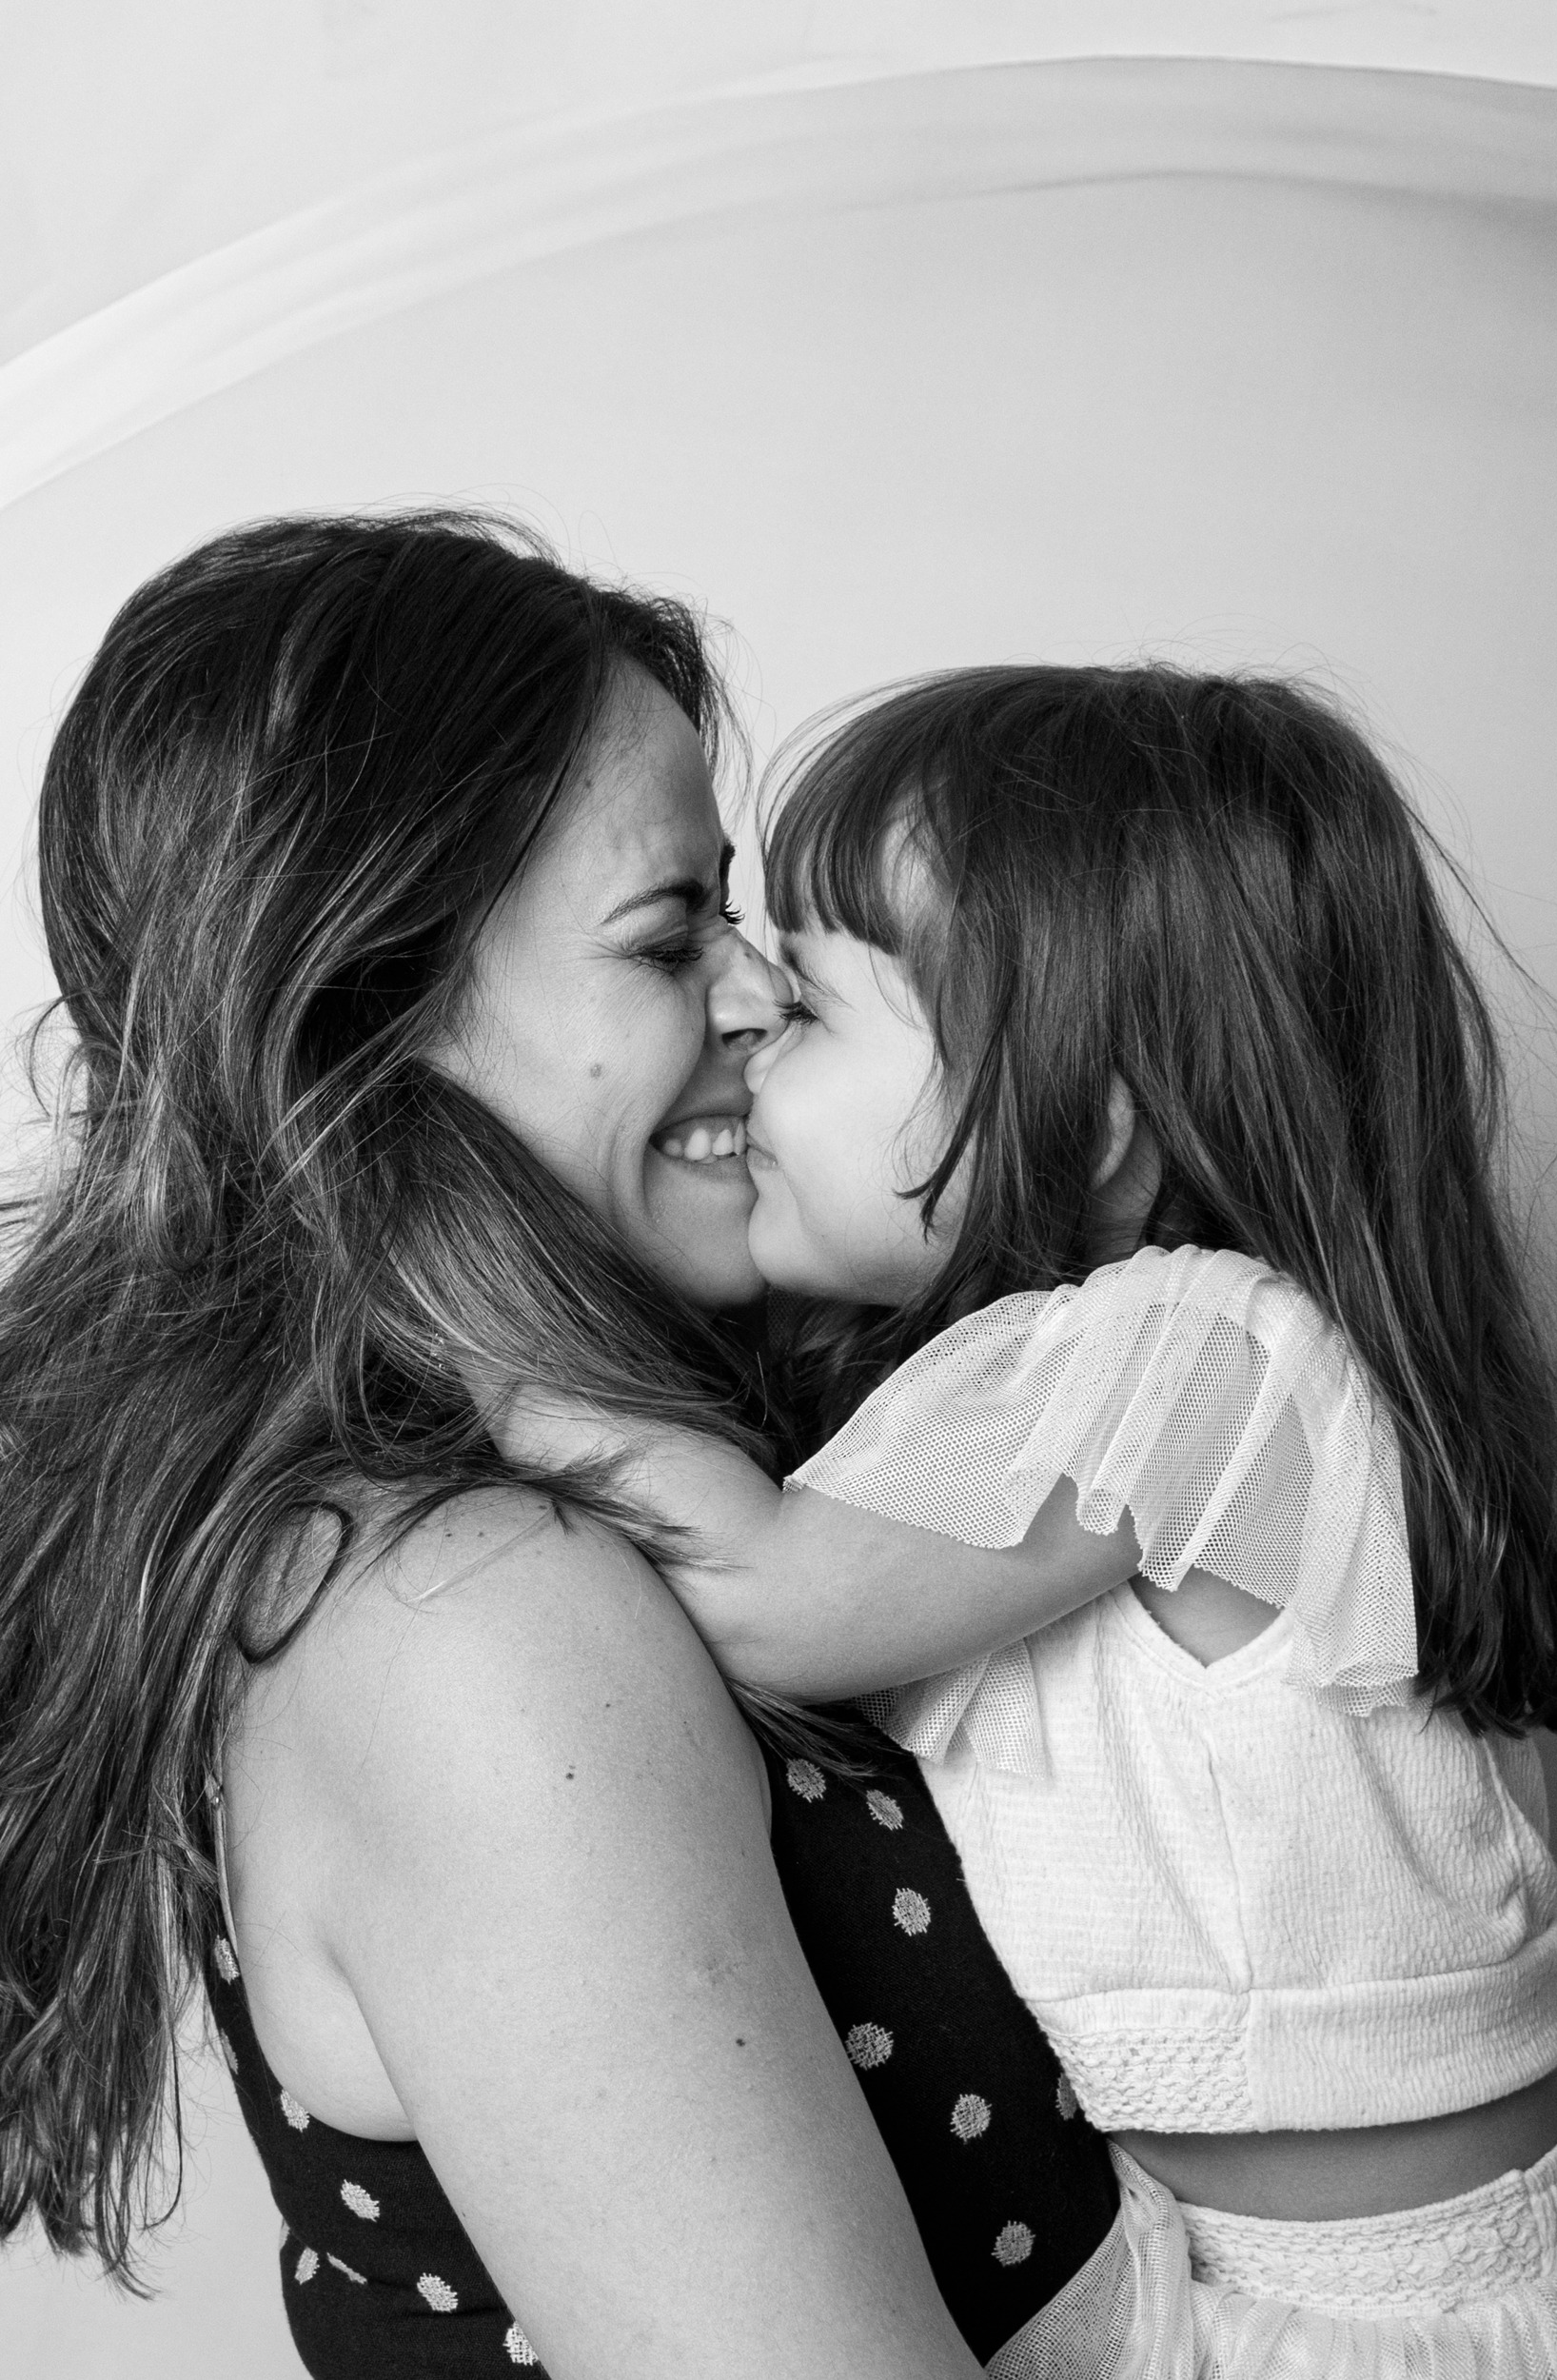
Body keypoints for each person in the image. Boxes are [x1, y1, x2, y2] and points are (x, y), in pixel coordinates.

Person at [0, 520, 1133, 2380]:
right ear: (372, 1006)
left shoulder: (613, 1485)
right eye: (670, 934)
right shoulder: (469, 1621)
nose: (763, 991)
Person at [495, 665, 1557, 2372]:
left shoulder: (1201, 1355)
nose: (746, 1026)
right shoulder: (1043, 1388)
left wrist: (455, 1289)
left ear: (1093, 1124)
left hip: (1373, 2322)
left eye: (817, 1008)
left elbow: (763, 1598)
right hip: (1236, 2277)